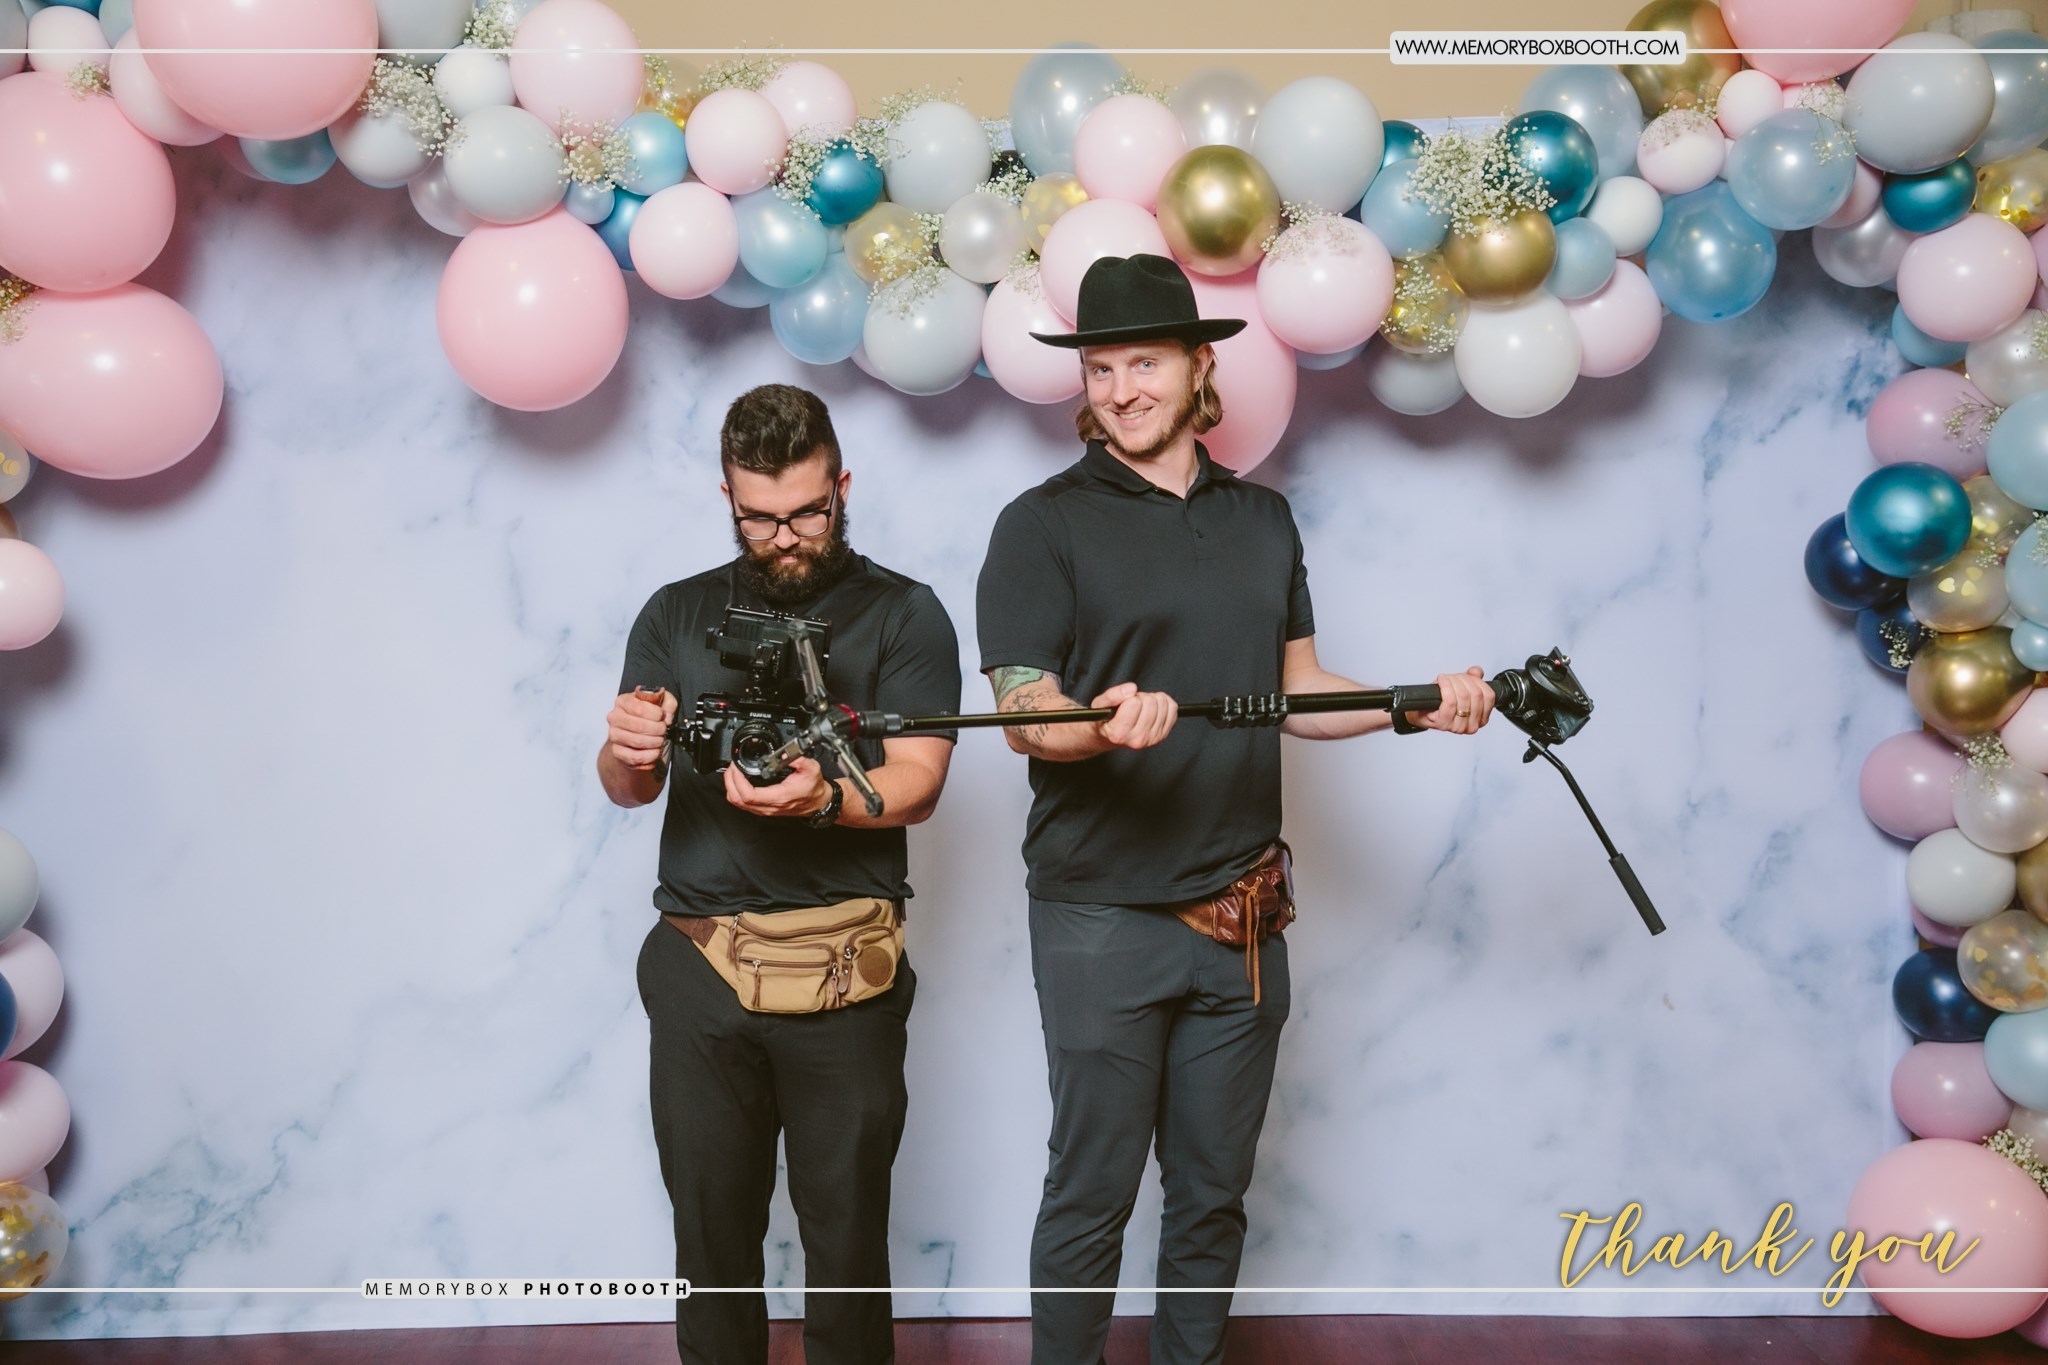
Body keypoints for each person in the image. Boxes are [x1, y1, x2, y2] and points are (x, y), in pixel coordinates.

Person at [975, 254, 1496, 1365]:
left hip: (1242, 919)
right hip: (1099, 920)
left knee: (1211, 1196)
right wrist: (1097, 725)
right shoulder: (1039, 525)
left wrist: (1410, 704)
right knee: (1091, 1194)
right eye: (1102, 369)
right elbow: (1023, 713)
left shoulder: (1264, 520)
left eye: (1145, 364)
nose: (1122, 390)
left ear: (1197, 367)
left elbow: (1297, 692)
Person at [601, 383, 961, 1365]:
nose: (786, 537)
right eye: (759, 518)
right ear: (727, 495)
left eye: (807, 512)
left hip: (845, 975)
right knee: (711, 1246)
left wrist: (824, 798)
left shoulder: (904, 614)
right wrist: (629, 746)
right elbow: (627, 786)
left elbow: (920, 782)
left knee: (846, 1251)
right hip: (700, 966)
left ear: (842, 485)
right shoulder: (676, 613)